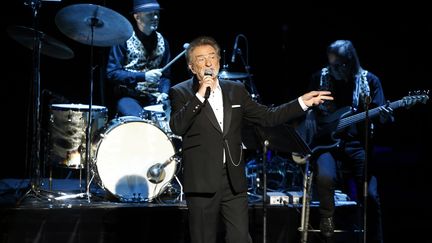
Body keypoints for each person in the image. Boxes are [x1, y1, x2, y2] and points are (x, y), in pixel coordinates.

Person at [168, 36, 333, 243]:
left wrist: (301, 103)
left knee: (240, 238)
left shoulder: (235, 90)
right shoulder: (180, 92)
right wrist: (200, 95)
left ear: (219, 61)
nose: (209, 63)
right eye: (201, 59)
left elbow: (268, 116)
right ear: (192, 67)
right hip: (202, 181)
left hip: (234, 179)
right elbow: (177, 126)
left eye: (212, 57)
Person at [306, 40, 393, 242]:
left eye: (338, 65)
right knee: (325, 176)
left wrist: (385, 116)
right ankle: (327, 218)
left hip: (358, 145)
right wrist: (309, 114)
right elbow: (306, 106)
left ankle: (374, 237)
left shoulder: (369, 81)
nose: (333, 69)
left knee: (370, 195)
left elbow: (380, 113)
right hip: (326, 144)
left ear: (350, 62)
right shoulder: (320, 78)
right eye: (331, 64)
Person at [106, 0, 171, 122]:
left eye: (157, 14)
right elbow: (112, 73)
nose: (155, 17)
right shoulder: (123, 39)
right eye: (150, 14)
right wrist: (143, 76)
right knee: (139, 122)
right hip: (129, 96)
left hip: (154, 97)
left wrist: (164, 92)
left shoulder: (163, 42)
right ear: (137, 17)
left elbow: (166, 76)